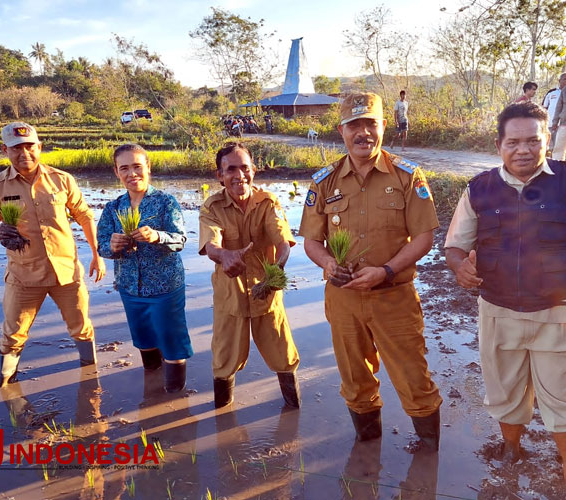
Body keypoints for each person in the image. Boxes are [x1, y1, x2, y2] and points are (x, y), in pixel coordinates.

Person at [444, 101, 566, 493]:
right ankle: (511, 446)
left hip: (557, 313)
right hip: (497, 310)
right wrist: (460, 267)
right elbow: (455, 246)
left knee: (563, 398)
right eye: (514, 142)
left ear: (548, 141)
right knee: (504, 392)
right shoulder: (479, 188)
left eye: (533, 140)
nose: (523, 150)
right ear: (499, 145)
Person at [299, 92, 442, 447]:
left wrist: (387, 271)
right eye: (354, 126)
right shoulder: (324, 181)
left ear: (383, 126)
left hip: (394, 296)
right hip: (343, 299)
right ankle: (368, 454)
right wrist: (329, 263)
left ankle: (428, 456)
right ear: (342, 130)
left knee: (414, 378)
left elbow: (424, 237)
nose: (363, 133)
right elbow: (312, 243)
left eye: (370, 124)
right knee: (354, 377)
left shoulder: (408, 176)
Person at [0, 122, 106, 387]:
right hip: (24, 276)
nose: (25, 154)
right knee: (13, 334)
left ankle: (90, 376)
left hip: (66, 273)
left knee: (81, 327)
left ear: (39, 147)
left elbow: (85, 216)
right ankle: (6, 385)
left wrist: (96, 253)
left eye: (29, 146)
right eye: (16, 148)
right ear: (5, 150)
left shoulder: (62, 180)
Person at [199, 142, 301, 409]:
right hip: (229, 297)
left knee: (284, 355)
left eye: (245, 168)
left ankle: (293, 407)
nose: (239, 175)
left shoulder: (268, 202)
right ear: (219, 175)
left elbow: (282, 238)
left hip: (266, 294)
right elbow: (211, 244)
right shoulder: (211, 207)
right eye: (230, 169)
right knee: (223, 360)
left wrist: (278, 267)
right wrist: (225, 256)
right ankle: (222, 414)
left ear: (254, 170)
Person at [96, 144, 192, 392]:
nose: (132, 174)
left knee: (171, 343)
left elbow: (180, 240)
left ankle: (174, 399)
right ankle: (152, 394)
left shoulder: (165, 202)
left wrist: (157, 236)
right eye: (124, 168)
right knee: (144, 341)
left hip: (164, 288)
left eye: (137, 166)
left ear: (148, 168)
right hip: (130, 288)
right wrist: (112, 245)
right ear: (116, 172)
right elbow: (102, 246)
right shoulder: (113, 208)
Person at [542, 73, 566, 153]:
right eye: (564, 79)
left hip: (563, 124)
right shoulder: (551, 92)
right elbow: (544, 107)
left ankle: (557, 162)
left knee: (560, 147)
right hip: (550, 123)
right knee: (548, 146)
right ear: (559, 80)